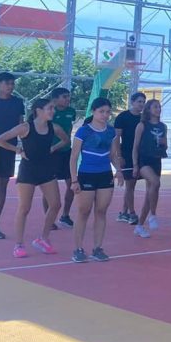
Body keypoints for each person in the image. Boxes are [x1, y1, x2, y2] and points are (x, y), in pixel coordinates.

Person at [0, 98, 68, 258]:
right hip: (28, 171)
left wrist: (53, 147)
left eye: (53, 108)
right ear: (38, 110)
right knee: (24, 208)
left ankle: (43, 238)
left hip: (46, 170)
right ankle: (19, 244)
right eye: (50, 108)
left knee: (55, 204)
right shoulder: (25, 127)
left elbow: (65, 140)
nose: (53, 111)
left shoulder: (54, 127)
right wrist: (17, 150)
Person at [70, 97, 123, 262]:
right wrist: (74, 180)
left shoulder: (111, 132)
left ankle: (97, 248)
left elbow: (113, 155)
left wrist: (118, 170)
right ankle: (78, 249)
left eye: (108, 112)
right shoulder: (83, 131)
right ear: (93, 111)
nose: (105, 115)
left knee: (101, 211)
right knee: (83, 211)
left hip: (105, 175)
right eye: (101, 111)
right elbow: (73, 157)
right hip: (86, 174)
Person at [0, 72, 25, 240]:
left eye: (12, 84)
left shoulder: (18, 103)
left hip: (8, 149)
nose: (10, 87)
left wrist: (22, 146)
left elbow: (21, 125)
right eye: (7, 83)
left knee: (2, 186)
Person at [131, 99, 167, 238]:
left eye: (159, 107)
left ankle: (139, 226)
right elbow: (135, 146)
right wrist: (135, 165)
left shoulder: (163, 126)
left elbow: (164, 146)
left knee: (149, 194)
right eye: (155, 107)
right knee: (156, 183)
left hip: (156, 160)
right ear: (148, 110)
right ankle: (153, 214)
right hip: (144, 161)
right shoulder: (142, 125)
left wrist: (164, 143)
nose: (158, 109)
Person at [114, 92, 146, 225]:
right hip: (127, 154)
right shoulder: (123, 117)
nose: (141, 104)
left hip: (141, 155)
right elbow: (116, 138)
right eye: (139, 101)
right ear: (132, 102)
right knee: (130, 184)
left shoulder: (144, 118)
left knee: (131, 185)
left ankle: (124, 212)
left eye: (143, 102)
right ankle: (132, 213)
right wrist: (119, 155)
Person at [48, 87, 77, 227]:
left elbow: (70, 128)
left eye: (68, 96)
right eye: (64, 97)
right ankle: (49, 219)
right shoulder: (49, 111)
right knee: (49, 186)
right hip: (51, 153)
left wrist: (67, 142)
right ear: (55, 99)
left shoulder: (71, 111)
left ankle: (65, 215)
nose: (67, 99)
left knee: (72, 184)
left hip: (66, 152)